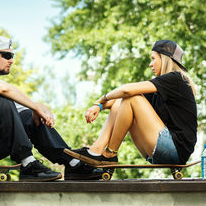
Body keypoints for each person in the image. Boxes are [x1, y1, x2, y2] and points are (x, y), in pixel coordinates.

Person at [0, 36, 102, 181]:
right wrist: (36, 106)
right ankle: (28, 163)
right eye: (7, 55)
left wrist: (39, 109)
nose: (12, 60)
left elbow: (26, 107)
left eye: (12, 56)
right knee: (3, 100)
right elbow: (4, 91)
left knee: (29, 115)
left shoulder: (0, 90)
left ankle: (70, 162)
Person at [64, 40, 197, 167]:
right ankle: (95, 151)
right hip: (163, 148)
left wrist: (102, 99)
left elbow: (126, 91)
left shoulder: (177, 79)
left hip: (175, 149)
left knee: (131, 98)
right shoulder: (161, 87)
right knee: (125, 100)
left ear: (165, 58)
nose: (150, 64)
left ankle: (110, 154)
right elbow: (117, 101)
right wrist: (98, 106)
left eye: (153, 58)